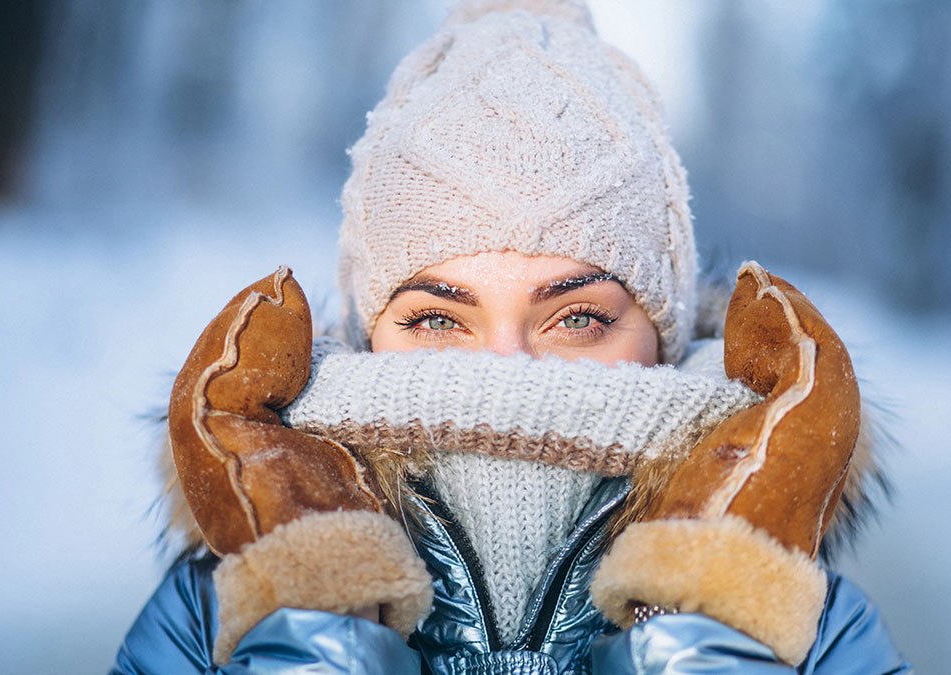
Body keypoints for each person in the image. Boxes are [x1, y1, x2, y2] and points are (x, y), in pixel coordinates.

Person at [112, 1, 910, 672]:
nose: (505, 372)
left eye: (577, 318)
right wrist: (307, 629)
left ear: (662, 338)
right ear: (366, 330)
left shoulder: (802, 625)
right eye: (436, 318)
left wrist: (717, 626)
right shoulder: (219, 609)